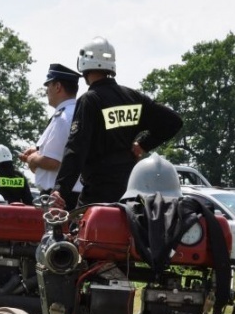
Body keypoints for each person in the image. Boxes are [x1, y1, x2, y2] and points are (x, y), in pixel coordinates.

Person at [51, 37, 183, 208]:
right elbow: (173, 121)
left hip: (98, 192)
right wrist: (144, 144)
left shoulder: (90, 100)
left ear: (83, 64)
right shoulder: (133, 97)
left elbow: (76, 148)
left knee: (83, 231)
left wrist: (60, 189)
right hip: (131, 192)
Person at [21, 63, 82, 209]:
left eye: (48, 85)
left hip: (60, 198)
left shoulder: (63, 117)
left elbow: (53, 161)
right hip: (74, 194)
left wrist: (32, 158)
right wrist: (37, 153)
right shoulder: (78, 113)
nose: (47, 91)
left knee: (57, 233)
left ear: (58, 87)